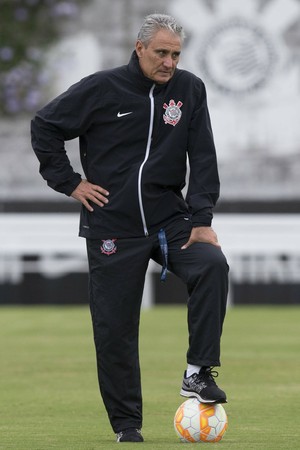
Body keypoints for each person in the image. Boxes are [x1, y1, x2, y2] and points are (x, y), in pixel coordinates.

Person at [31, 13, 229, 443]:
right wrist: (70, 183)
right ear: (139, 48)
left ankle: (197, 373)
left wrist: (203, 219)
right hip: (112, 227)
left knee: (212, 264)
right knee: (115, 329)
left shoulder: (189, 89)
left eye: (176, 54)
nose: (169, 62)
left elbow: (204, 155)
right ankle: (127, 425)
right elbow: (45, 125)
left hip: (170, 222)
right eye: (161, 52)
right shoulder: (101, 88)